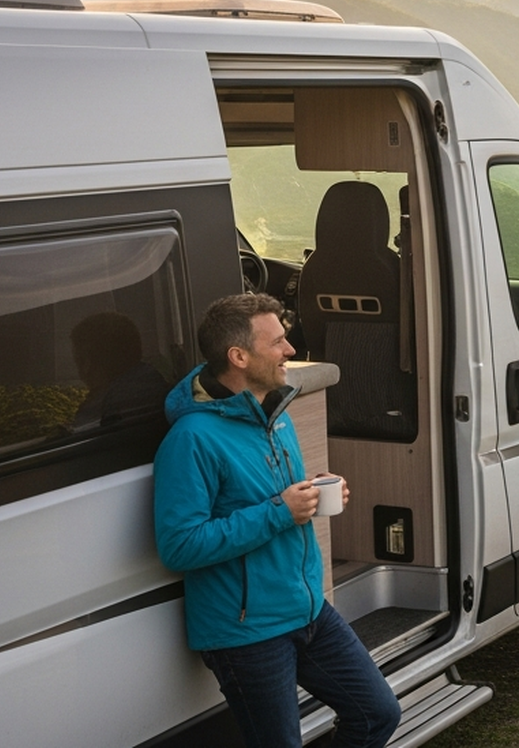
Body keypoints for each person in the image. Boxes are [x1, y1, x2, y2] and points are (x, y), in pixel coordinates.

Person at [154, 293, 400, 748]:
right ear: (239, 356)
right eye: (279, 342)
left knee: (377, 713)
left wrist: (314, 490)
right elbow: (180, 544)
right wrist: (279, 512)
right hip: (246, 630)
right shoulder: (191, 439)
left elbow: (268, 498)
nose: (290, 351)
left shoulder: (275, 416)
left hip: (306, 610)